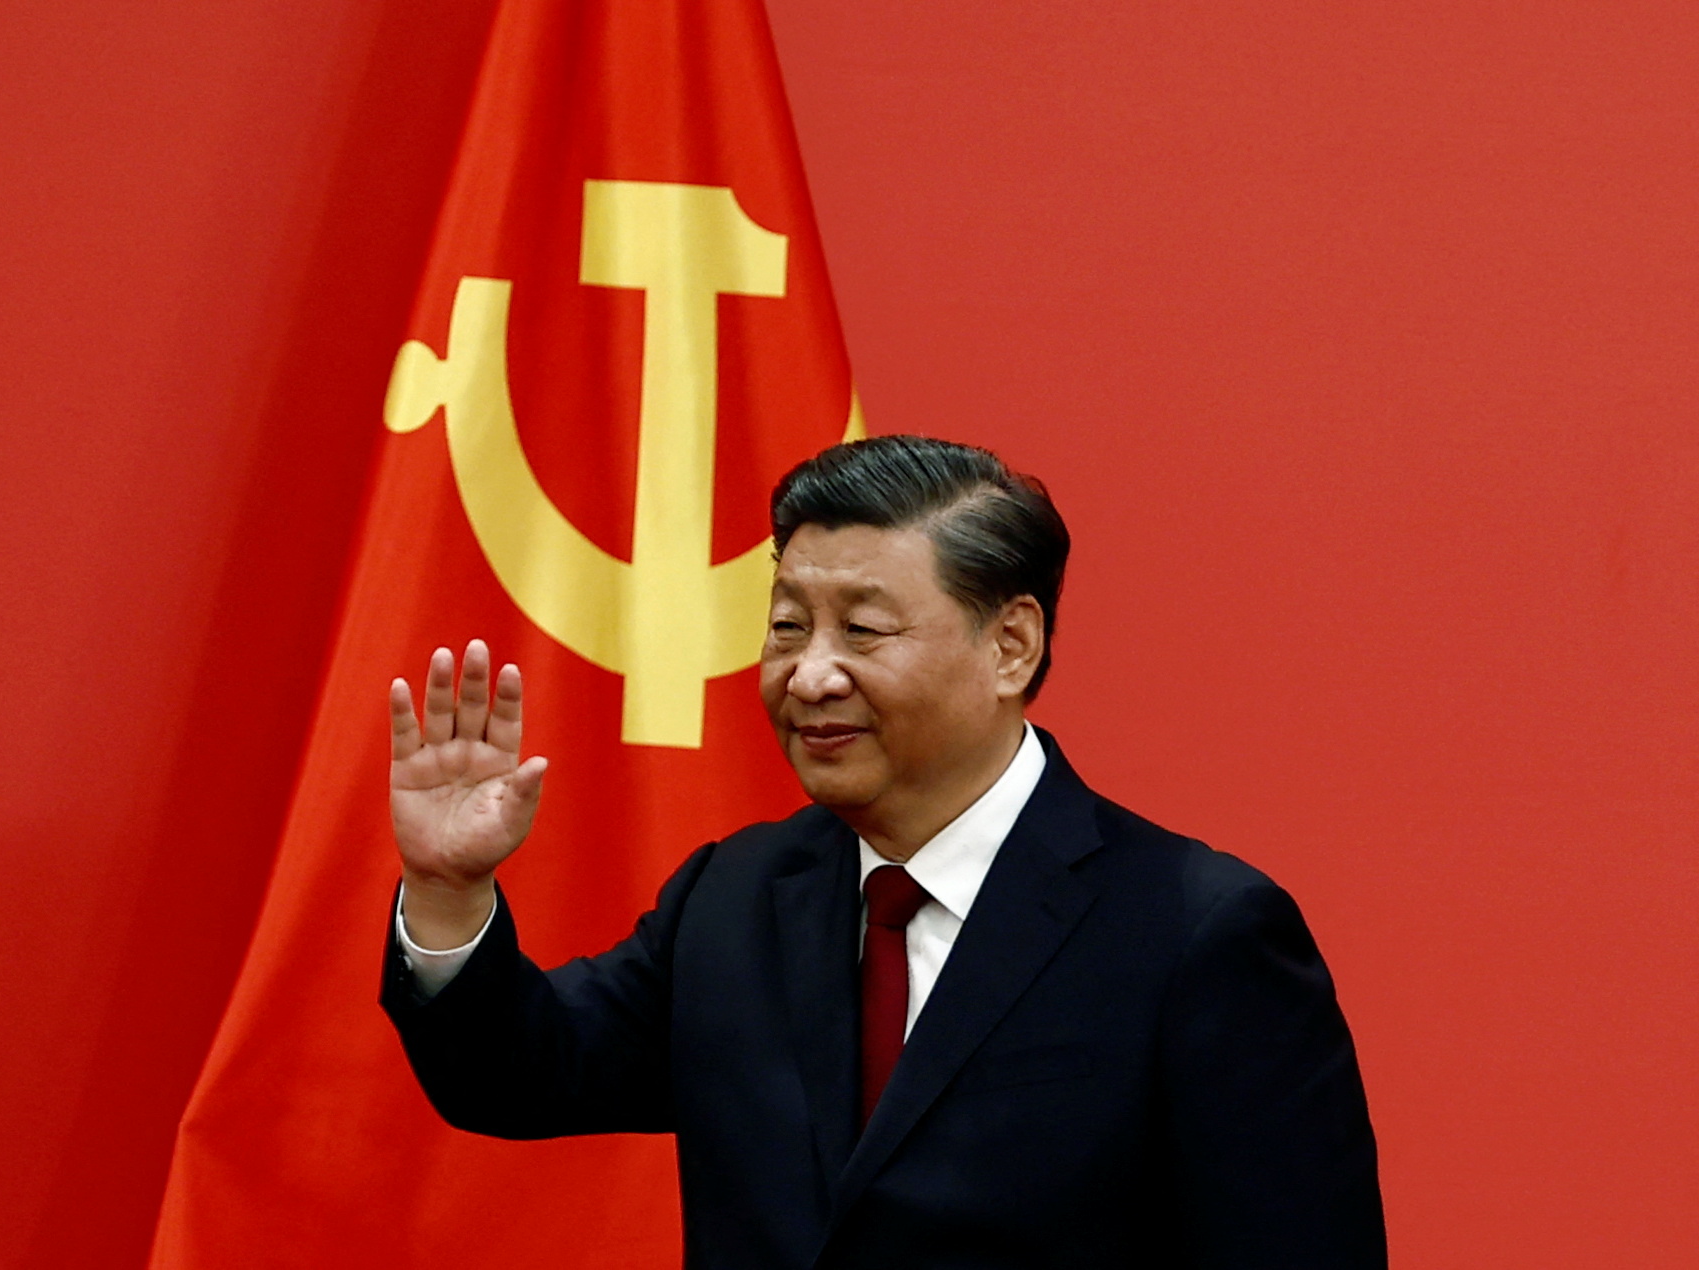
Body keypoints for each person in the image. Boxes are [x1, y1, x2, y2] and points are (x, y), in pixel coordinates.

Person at [380, 435, 1385, 1269]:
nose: (811, 674)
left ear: (1012, 646)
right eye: (787, 627)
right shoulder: (736, 897)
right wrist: (447, 888)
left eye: (863, 629)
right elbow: (520, 1075)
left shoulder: (1193, 933)